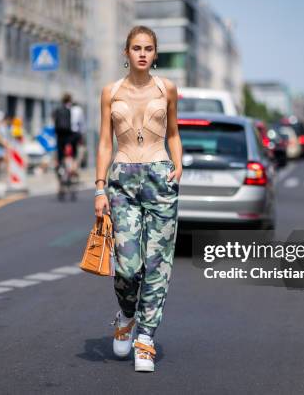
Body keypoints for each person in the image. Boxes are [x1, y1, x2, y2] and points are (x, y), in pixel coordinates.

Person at [94, 25, 182, 373]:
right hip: (122, 181)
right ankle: (127, 314)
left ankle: (145, 339)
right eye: (136, 48)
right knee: (129, 265)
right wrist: (100, 187)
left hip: (161, 179)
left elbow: (174, 133)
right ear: (126, 53)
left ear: (155, 53)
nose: (142, 53)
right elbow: (104, 142)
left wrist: (179, 166)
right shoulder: (110, 92)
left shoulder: (167, 89)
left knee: (158, 262)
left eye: (148, 48)